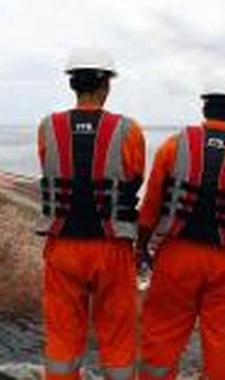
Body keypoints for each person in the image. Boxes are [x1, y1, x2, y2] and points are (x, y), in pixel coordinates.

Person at [137, 75, 225, 380]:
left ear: (204, 108)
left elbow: (150, 206)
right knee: (223, 346)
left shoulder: (173, 147)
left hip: (176, 256)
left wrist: (140, 248)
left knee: (161, 338)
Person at [36, 47, 146, 379]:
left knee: (62, 336)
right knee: (117, 335)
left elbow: (48, 165)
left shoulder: (48, 127)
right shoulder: (128, 130)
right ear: (106, 86)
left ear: (73, 84)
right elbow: (135, 175)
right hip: (111, 246)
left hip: (63, 246)